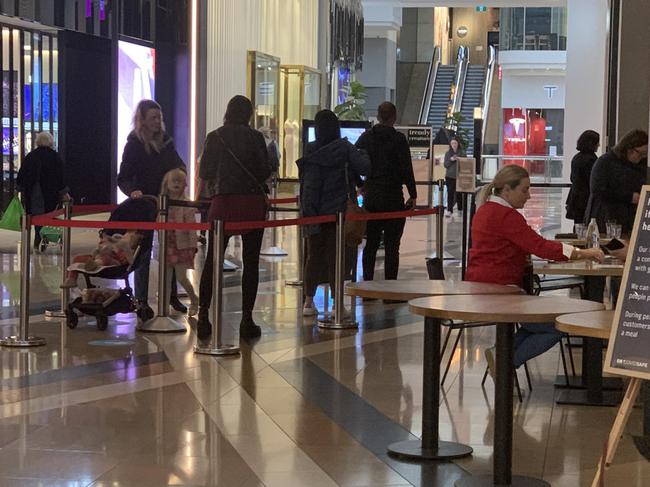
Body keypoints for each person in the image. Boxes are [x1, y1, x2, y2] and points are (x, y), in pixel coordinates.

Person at [466, 165, 604, 374]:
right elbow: (540, 247)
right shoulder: (506, 216)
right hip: (500, 291)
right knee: (558, 325)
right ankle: (505, 365)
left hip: (483, 288)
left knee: (539, 324)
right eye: (524, 190)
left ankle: (501, 358)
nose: (529, 196)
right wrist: (584, 253)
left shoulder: (485, 210)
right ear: (506, 191)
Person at [196, 95, 272, 340]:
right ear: (249, 115)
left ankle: (204, 316)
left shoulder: (215, 137)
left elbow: (205, 171)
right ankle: (246, 320)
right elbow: (264, 170)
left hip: (224, 203)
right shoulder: (256, 137)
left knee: (212, 261)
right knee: (250, 264)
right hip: (252, 204)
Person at [117, 99, 187, 314]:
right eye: (153, 118)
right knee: (143, 251)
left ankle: (172, 295)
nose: (158, 122)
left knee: (172, 249)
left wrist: (177, 180)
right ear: (143, 120)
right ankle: (142, 300)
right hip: (144, 204)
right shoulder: (133, 144)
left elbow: (179, 165)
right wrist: (133, 192)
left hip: (167, 203)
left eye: (160, 117)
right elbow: (123, 177)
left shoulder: (166, 142)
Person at [298, 109, 370, 316]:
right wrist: (362, 152)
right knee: (336, 257)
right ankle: (338, 301)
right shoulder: (344, 147)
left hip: (313, 209)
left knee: (313, 256)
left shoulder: (310, 149)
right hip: (338, 210)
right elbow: (364, 167)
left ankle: (308, 302)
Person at [356, 102, 416, 282]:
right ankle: (390, 289)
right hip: (392, 197)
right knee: (392, 246)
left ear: (378, 116)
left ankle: (367, 285)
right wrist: (413, 194)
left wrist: (360, 184)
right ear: (394, 117)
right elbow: (407, 168)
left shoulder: (367, 137)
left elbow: (354, 160)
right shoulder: (398, 140)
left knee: (371, 244)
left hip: (372, 197)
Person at [586, 129, 648, 235]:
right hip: (605, 218)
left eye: (644, 154)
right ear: (629, 149)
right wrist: (629, 197)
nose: (642, 157)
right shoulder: (605, 162)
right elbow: (597, 189)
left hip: (630, 220)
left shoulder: (641, 165)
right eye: (640, 153)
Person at [16, 131, 70, 249]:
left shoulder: (31, 156)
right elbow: (60, 176)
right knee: (48, 214)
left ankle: (38, 237)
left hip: (32, 192)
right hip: (49, 193)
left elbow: (22, 174)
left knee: (35, 215)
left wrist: (19, 188)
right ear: (50, 142)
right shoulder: (55, 157)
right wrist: (64, 192)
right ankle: (42, 237)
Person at [160, 168, 199, 316]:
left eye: (179, 181)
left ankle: (194, 299)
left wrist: (193, 246)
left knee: (182, 278)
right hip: (167, 245)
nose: (176, 184)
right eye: (173, 181)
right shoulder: (163, 203)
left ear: (185, 184)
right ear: (167, 183)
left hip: (182, 247)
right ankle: (163, 310)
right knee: (166, 279)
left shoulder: (187, 205)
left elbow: (192, 228)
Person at [61, 231, 141, 288]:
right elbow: (99, 249)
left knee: (105, 259)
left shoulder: (126, 250)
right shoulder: (115, 241)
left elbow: (129, 261)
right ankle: (71, 278)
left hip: (113, 263)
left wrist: (117, 250)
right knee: (77, 258)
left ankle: (95, 264)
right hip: (98, 257)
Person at [565, 130, 600, 227]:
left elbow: (573, 178)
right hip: (586, 198)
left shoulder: (577, 157)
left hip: (576, 197)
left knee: (578, 227)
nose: (599, 145)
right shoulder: (592, 159)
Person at [443, 138, 464, 217]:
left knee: (459, 194)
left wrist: (459, 159)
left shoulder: (462, 153)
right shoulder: (448, 153)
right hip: (450, 177)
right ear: (450, 145)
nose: (454, 145)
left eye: (455, 143)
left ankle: (460, 209)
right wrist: (451, 159)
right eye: (452, 143)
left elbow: (466, 163)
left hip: (459, 176)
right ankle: (449, 210)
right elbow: (445, 165)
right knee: (450, 193)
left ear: (458, 144)